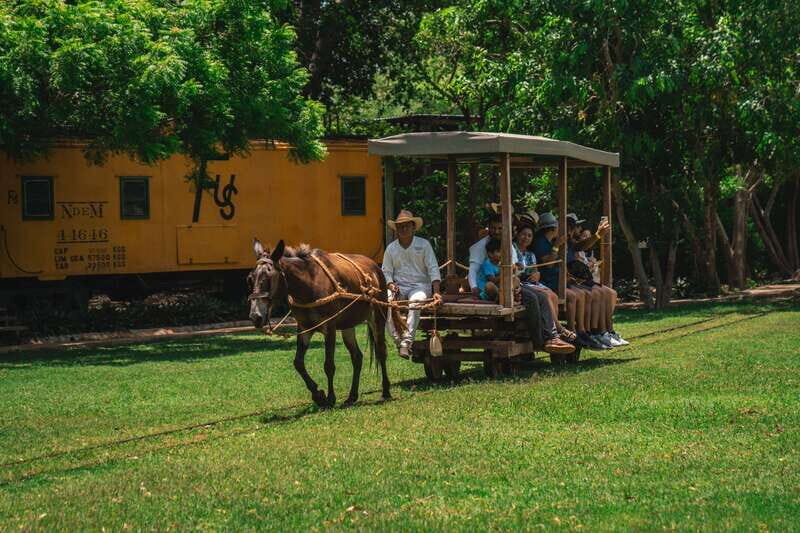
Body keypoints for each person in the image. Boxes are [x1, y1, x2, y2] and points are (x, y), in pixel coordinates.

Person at [469, 212, 573, 354]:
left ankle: (551, 337)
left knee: (541, 297)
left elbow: (514, 271)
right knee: (531, 298)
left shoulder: (508, 245)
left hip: (511, 284)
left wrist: (516, 279)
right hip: (493, 286)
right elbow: (473, 270)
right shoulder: (479, 247)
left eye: (500, 228)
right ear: (489, 228)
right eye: (493, 228)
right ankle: (540, 341)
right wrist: (474, 287)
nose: (497, 231)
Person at [533, 212, 607, 350]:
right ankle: (574, 331)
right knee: (575, 296)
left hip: (561, 279)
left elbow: (580, 246)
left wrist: (597, 235)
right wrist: (557, 246)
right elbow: (548, 264)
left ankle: (589, 331)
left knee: (591, 294)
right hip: (549, 281)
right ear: (552, 228)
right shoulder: (542, 242)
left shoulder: (554, 241)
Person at [382, 209, 443, 358]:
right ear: (396, 229)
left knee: (415, 303)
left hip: (420, 286)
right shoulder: (391, 248)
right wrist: (390, 284)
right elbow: (386, 272)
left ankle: (406, 342)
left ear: (413, 227)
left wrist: (436, 291)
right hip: (399, 287)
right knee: (386, 304)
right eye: (400, 226)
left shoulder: (424, 245)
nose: (403, 229)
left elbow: (433, 268)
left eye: (406, 226)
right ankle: (398, 340)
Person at [566, 213, 628, 346]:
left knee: (609, 293)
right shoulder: (559, 243)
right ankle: (592, 332)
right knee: (598, 294)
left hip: (579, 280)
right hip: (571, 282)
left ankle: (606, 331)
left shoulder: (570, 242)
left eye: (575, 227)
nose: (577, 229)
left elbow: (582, 246)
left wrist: (598, 235)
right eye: (573, 227)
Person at [513, 219, 576, 343]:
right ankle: (558, 330)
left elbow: (536, 271)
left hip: (532, 282)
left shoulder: (531, 254)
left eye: (529, 235)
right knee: (546, 296)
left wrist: (537, 274)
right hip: (521, 282)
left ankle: (556, 331)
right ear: (517, 235)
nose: (526, 238)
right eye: (523, 234)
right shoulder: (512, 249)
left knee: (553, 296)